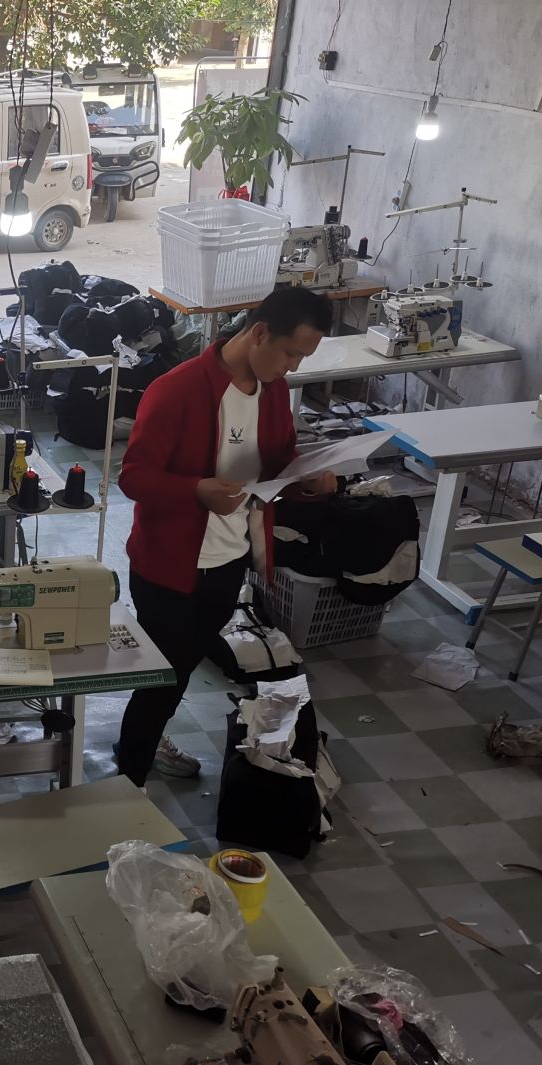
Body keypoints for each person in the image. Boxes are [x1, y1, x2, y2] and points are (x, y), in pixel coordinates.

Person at [115, 286, 339, 784]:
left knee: (178, 669)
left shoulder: (273, 391)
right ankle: (129, 779)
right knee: (163, 677)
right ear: (259, 333)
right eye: (290, 353)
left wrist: (307, 481)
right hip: (169, 567)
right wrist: (196, 490)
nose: (293, 367)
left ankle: (146, 746)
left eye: (302, 358)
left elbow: (275, 465)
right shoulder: (177, 390)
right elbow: (133, 477)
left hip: (229, 559)